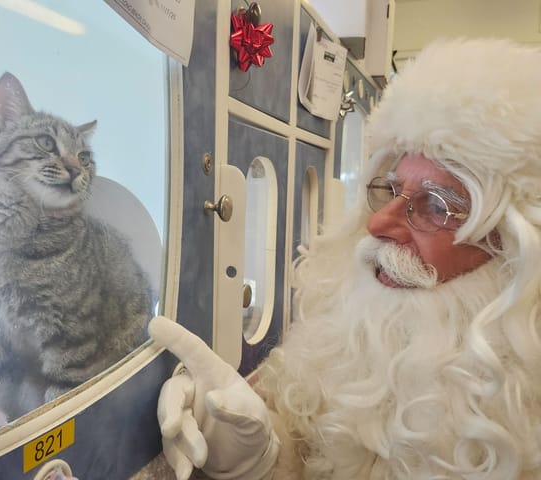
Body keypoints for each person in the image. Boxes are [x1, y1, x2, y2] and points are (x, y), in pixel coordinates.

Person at [149, 37, 541, 480]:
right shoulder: (341, 340)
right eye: (390, 191)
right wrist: (256, 458)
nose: (379, 226)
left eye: (435, 205)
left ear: (515, 248)